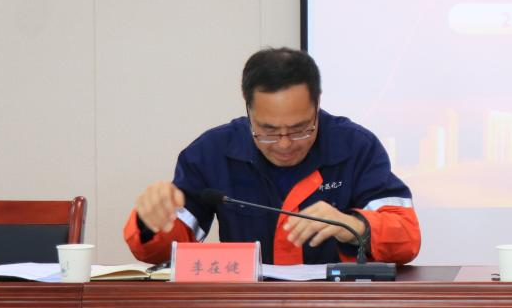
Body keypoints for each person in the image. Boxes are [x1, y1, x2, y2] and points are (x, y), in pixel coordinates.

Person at [125, 47, 420, 265]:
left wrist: (351, 226)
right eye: (267, 131)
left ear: (317, 106)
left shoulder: (356, 147)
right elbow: (164, 253)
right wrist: (151, 223)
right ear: (249, 110)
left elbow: (406, 237)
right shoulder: (211, 153)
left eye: (300, 129)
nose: (284, 144)